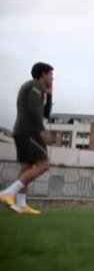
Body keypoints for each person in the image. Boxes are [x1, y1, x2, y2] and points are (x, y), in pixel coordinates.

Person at [0, 62, 54, 214]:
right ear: (43, 74)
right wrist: (42, 131)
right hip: (30, 131)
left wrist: (49, 94)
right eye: (51, 75)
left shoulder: (37, 87)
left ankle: (21, 204)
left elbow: (45, 114)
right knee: (44, 164)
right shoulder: (36, 85)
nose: (52, 79)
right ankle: (7, 193)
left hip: (21, 131)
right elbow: (34, 110)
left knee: (26, 168)